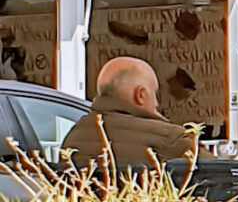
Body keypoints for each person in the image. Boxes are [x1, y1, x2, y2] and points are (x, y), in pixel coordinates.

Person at [61, 57, 196, 173]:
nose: (156, 104)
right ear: (141, 95)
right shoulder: (172, 139)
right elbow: (212, 182)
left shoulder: (73, 137)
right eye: (155, 94)